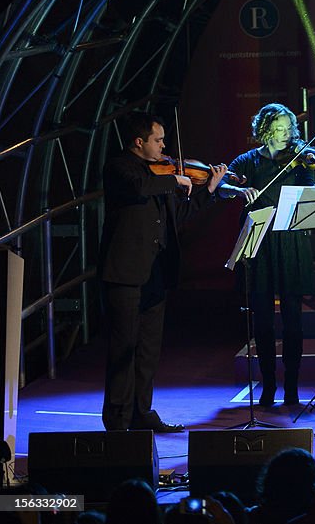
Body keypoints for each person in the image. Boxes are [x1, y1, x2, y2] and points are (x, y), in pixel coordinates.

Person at [98, 111, 228, 432]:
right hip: (125, 274)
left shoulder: (161, 174)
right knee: (123, 349)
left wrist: (208, 190)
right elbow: (140, 187)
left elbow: (180, 213)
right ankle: (117, 420)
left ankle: (143, 412)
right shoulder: (120, 167)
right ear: (139, 142)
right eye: (158, 140)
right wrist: (174, 180)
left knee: (147, 351)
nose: (164, 146)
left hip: (156, 273)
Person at [230, 104, 315, 406]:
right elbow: (222, 187)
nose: (285, 136)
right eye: (278, 130)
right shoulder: (247, 161)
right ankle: (268, 386)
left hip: (291, 243)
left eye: (288, 130)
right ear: (264, 130)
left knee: (293, 320)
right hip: (259, 245)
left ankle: (291, 386)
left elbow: (312, 196)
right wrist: (239, 191)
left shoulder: (302, 159)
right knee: (263, 321)